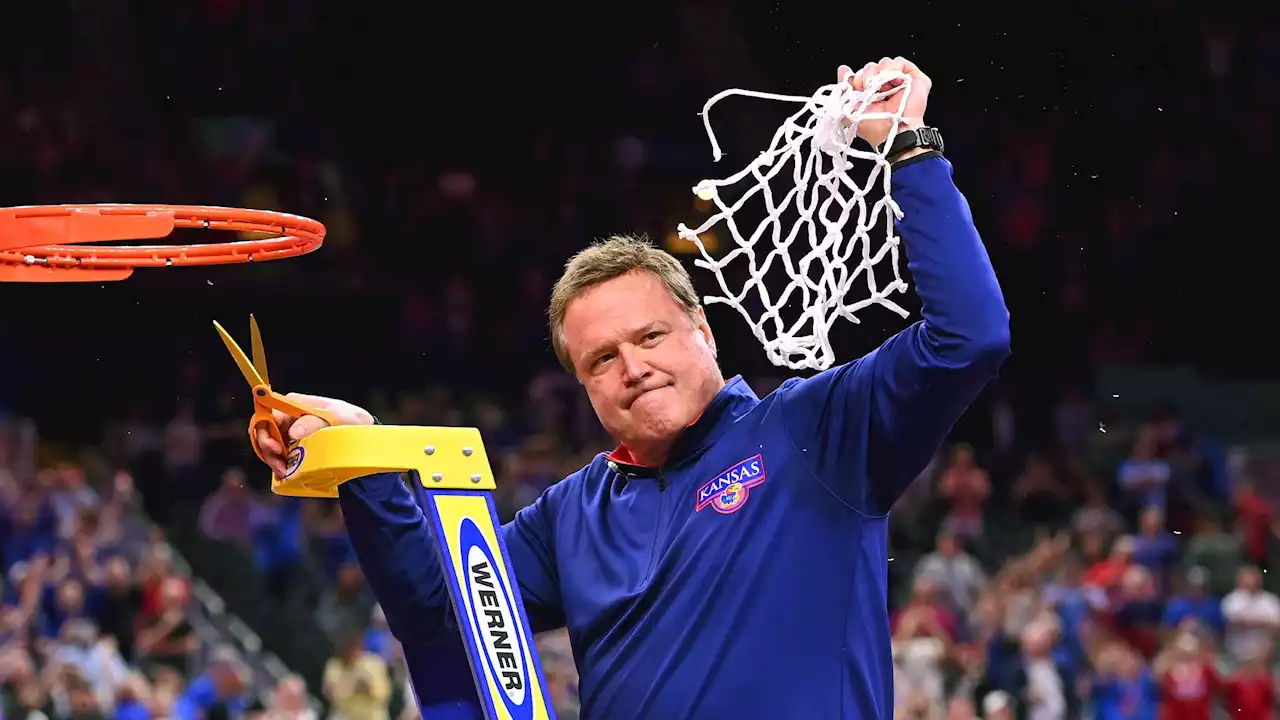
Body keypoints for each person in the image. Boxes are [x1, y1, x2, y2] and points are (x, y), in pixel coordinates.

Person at [251, 57, 1009, 719]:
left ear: (703, 333)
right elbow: (437, 611)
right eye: (602, 359)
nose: (633, 367)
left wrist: (911, 150)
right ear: (581, 384)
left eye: (649, 338)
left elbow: (969, 335)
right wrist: (362, 450)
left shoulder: (815, 430)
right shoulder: (570, 516)